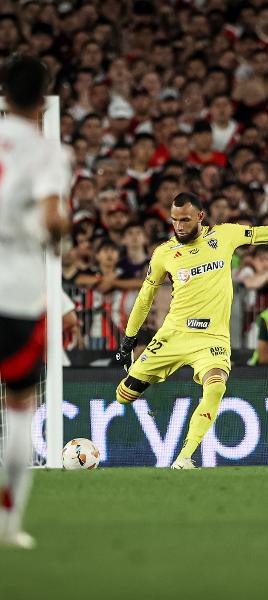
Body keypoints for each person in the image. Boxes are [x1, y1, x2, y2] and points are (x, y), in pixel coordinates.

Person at [115, 193, 268, 469]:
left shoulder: (225, 236)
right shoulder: (163, 254)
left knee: (216, 386)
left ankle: (184, 457)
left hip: (212, 338)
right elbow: (144, 298)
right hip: (173, 335)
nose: (179, 226)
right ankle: (146, 383)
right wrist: (128, 341)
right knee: (123, 396)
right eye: (174, 220)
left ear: (200, 217)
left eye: (185, 219)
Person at [0, 56, 70, 548]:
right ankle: (9, 524)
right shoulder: (48, 154)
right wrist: (58, 235)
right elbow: (51, 220)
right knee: (20, 406)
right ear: (43, 97)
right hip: (18, 292)